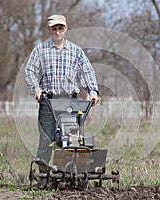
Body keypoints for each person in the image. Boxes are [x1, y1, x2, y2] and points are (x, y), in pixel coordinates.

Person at [24, 15, 99, 189]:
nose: (57, 31)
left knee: (71, 138)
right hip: (48, 100)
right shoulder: (40, 50)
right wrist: (36, 89)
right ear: (49, 30)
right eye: (54, 28)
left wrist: (93, 91)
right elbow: (29, 72)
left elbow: (87, 71)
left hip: (70, 101)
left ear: (66, 28)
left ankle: (71, 176)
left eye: (60, 28)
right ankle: (43, 177)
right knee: (46, 139)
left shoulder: (76, 51)